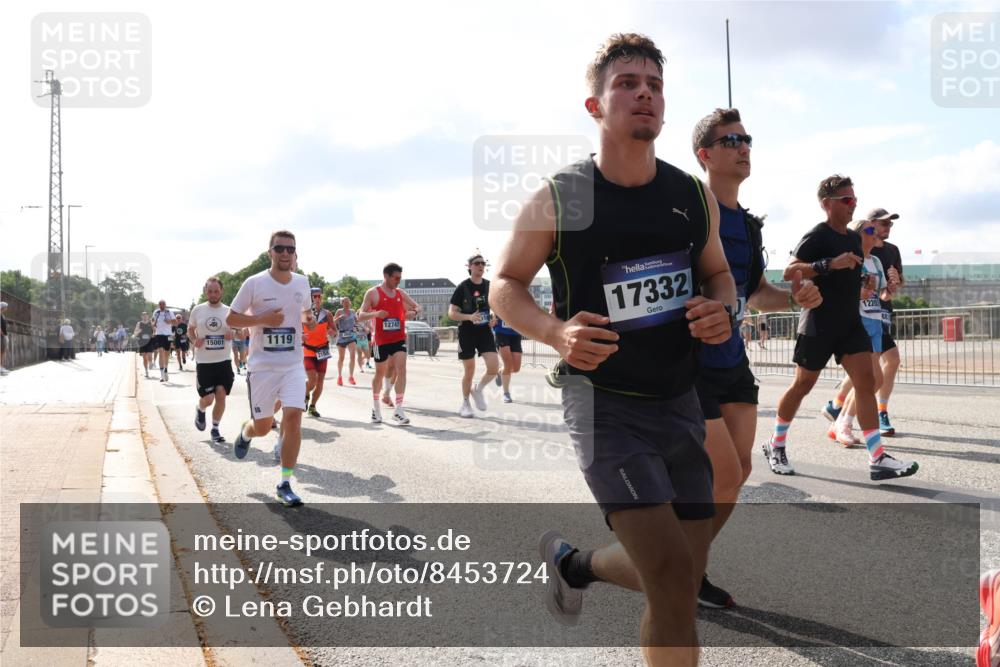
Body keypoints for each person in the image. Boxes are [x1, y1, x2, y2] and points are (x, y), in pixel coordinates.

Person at [491, 34, 737, 667]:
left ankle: (574, 566)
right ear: (594, 105)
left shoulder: (691, 194)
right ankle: (580, 567)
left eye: (654, 84)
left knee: (679, 574)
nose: (644, 93)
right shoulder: (561, 196)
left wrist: (722, 309)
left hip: (679, 399)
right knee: (673, 578)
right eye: (627, 83)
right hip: (603, 405)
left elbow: (718, 274)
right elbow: (505, 285)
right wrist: (554, 332)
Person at [690, 107, 823, 608]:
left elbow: (755, 292)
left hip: (733, 361)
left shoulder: (747, 224)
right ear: (705, 155)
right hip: (690, 363)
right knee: (719, 473)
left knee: (739, 471)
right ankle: (675, 570)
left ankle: (688, 568)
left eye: (747, 139)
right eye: (731, 141)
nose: (744, 147)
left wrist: (795, 297)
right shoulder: (687, 210)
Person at [764, 174, 918, 481]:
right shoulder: (817, 236)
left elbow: (854, 275)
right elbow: (789, 271)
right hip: (819, 321)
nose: (852, 205)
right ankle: (776, 443)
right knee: (802, 386)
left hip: (851, 322)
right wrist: (827, 265)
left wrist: (868, 286)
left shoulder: (852, 238)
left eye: (854, 200)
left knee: (868, 379)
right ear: (827, 204)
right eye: (846, 200)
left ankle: (877, 457)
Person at [227, 230, 316, 507]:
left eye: (290, 249)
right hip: (262, 367)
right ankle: (246, 432)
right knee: (264, 428)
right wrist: (262, 319)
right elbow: (232, 318)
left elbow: (303, 310)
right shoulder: (254, 284)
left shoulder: (302, 282)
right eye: (280, 249)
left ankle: (285, 482)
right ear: (270, 253)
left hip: (292, 365)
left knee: (293, 419)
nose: (285, 253)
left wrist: (308, 319)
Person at [826, 217, 890, 446]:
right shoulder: (851, 260)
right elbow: (839, 291)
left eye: (875, 230)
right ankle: (843, 423)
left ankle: (840, 420)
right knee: (872, 379)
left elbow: (882, 294)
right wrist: (856, 294)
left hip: (874, 321)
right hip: (857, 320)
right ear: (857, 235)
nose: (875, 233)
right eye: (870, 229)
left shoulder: (876, 262)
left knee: (871, 380)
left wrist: (889, 289)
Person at [359, 262, 422, 426]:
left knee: (402, 370)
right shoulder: (373, 293)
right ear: (386, 276)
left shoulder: (400, 293)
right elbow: (360, 315)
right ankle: (376, 408)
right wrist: (376, 313)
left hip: (398, 339)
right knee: (379, 374)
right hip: (381, 341)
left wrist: (412, 313)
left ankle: (399, 410)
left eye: (400, 278)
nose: (398, 281)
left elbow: (417, 307)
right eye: (395, 278)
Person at [449, 253, 500, 417]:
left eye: (483, 263)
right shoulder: (462, 287)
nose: (481, 266)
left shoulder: (489, 286)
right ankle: (465, 404)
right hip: (467, 332)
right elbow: (452, 313)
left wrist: (494, 317)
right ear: (469, 267)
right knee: (469, 371)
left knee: (493, 367)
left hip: (484, 331)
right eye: (477, 263)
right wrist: (469, 317)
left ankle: (478, 389)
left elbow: (495, 307)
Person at [189, 276, 235, 444]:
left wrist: (232, 334)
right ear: (205, 291)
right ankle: (200, 408)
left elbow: (238, 332)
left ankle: (215, 429)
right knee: (208, 399)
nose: (214, 294)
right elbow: (190, 329)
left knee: (221, 394)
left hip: (223, 361)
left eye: (216, 291)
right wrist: (194, 341)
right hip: (204, 363)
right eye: (210, 291)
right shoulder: (198, 310)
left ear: (221, 291)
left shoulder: (229, 311)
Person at [302, 288, 335, 418]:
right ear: (309, 298)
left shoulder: (327, 314)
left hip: (322, 350)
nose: (317, 299)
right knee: (312, 380)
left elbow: (333, 329)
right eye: (314, 296)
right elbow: (298, 329)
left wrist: (333, 332)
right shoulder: (303, 313)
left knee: (320, 381)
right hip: (308, 349)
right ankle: (305, 395)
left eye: (319, 296)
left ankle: (313, 406)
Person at [493, 315, 522, 403]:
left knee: (516, 368)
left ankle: (500, 372)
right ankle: (506, 393)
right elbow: (492, 304)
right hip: (501, 332)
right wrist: (493, 316)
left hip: (516, 333)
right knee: (507, 365)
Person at [333, 297, 359, 386]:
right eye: (345, 302)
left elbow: (357, 321)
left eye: (348, 302)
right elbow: (333, 322)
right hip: (342, 336)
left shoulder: (352, 311)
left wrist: (360, 324)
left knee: (352, 356)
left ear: (350, 303)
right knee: (341, 358)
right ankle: (339, 376)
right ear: (342, 303)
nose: (347, 304)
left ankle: (351, 376)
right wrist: (339, 317)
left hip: (351, 335)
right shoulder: (339, 311)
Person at [151, 300, 177, 382]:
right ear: (159, 305)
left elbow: (175, 322)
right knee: (160, 352)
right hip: (159, 335)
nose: (162, 305)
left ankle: (166, 369)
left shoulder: (169, 312)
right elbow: (152, 321)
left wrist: (169, 321)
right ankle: (162, 374)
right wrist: (154, 328)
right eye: (160, 304)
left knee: (166, 354)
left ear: (165, 305)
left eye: (163, 304)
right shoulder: (156, 312)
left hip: (168, 335)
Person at [0, 302, 9, 375]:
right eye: (6, 307)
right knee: (1, 352)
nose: (7, 308)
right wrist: (3, 335)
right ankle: (0, 368)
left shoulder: (2, 315)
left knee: (3, 351)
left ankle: (1, 367)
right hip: (1, 336)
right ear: (2, 307)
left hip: (3, 336)